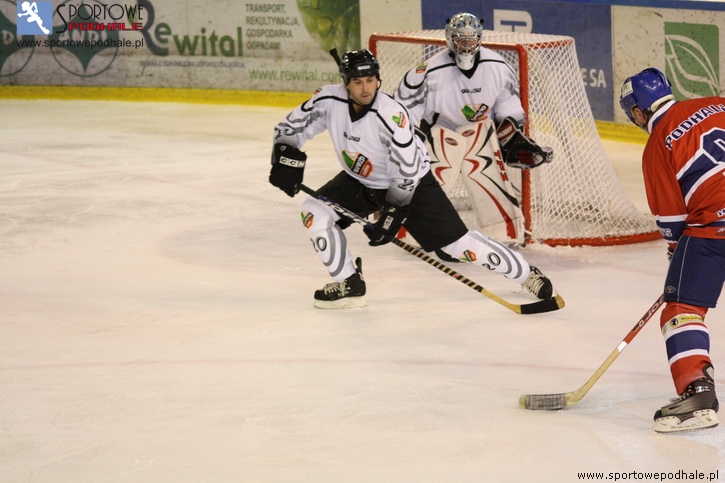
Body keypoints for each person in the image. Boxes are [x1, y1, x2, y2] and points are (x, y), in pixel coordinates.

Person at [269, 49, 556, 309]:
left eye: (370, 80)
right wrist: (285, 156)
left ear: (378, 80)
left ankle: (525, 273)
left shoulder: (391, 115)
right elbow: (289, 129)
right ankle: (349, 284)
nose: (366, 88)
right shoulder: (327, 100)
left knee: (458, 247)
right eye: (357, 82)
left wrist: (392, 213)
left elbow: (407, 171)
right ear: (346, 83)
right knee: (314, 211)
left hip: (413, 186)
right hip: (360, 181)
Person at [619, 67, 724, 433]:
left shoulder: (657, 145)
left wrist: (678, 249)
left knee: (681, 308)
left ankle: (697, 394)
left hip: (714, 228)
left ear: (638, 112)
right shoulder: (717, 103)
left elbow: (674, 221)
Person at [393, 12, 552, 240]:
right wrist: (411, 142)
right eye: (461, 40)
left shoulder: (498, 67)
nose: (466, 46)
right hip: (439, 136)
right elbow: (403, 110)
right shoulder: (428, 71)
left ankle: (504, 232)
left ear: (479, 38)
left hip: (480, 134)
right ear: (450, 39)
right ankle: (412, 230)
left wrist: (511, 138)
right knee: (433, 180)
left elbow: (509, 106)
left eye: (471, 40)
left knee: (487, 171)